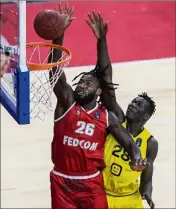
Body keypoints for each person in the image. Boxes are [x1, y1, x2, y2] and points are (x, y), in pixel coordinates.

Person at [48, 3, 148, 209]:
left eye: (88, 83)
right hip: (61, 181)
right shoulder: (67, 103)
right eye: (80, 82)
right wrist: (58, 35)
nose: (81, 85)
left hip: (91, 182)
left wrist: (137, 157)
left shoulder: (107, 116)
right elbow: (55, 73)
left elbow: (129, 143)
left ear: (99, 91)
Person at [86, 11, 158, 209]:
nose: (132, 104)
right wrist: (102, 40)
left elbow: (147, 173)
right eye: (133, 101)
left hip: (129, 197)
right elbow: (106, 79)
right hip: (104, 194)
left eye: (138, 104)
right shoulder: (116, 118)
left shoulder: (150, 142)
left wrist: (148, 190)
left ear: (146, 116)